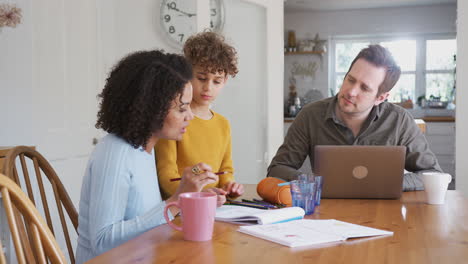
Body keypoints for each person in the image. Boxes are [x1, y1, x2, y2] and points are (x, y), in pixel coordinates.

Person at [76, 50, 226, 263]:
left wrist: (189, 196)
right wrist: (176, 200)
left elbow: (143, 218)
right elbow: (102, 242)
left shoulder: (145, 148)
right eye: (182, 108)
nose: (190, 116)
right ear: (151, 110)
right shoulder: (116, 153)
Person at [267, 44, 442, 191]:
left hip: (385, 215)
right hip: (326, 215)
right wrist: (312, 181)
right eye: (350, 80)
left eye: (364, 88)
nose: (351, 92)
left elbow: (433, 174)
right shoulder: (310, 115)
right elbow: (277, 169)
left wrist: (390, 183)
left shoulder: (399, 120)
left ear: (380, 98)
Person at [155, 31, 244, 199]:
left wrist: (229, 186)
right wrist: (200, 195)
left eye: (217, 81)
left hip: (215, 208)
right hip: (180, 208)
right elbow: (166, 178)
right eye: (202, 78)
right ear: (187, 75)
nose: (208, 88)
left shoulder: (223, 124)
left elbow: (225, 170)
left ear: (225, 81)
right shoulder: (173, 120)